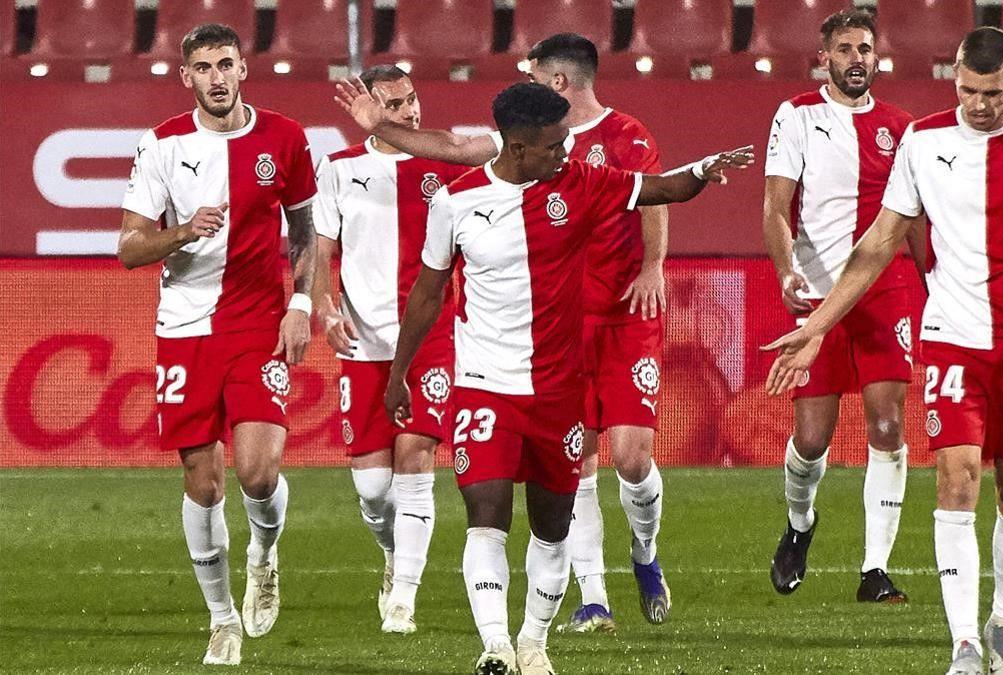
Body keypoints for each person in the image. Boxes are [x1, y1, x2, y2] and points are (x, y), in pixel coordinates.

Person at [360, 82, 750, 675]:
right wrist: (399, 374)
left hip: (561, 392)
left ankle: (533, 641)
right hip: (486, 386)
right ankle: (494, 646)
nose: (567, 152)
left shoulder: (582, 184)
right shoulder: (457, 203)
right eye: (554, 145)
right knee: (486, 517)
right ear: (517, 147)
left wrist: (706, 167)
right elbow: (428, 294)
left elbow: (664, 188)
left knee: (551, 529)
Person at [763, 28, 1003, 675]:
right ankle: (964, 645)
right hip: (951, 339)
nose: (978, 103)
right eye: (968, 90)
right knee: (955, 480)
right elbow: (878, 243)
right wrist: (815, 326)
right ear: (953, 79)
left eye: (991, 92)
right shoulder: (923, 140)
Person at [336, 33, 673, 631]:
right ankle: (591, 596)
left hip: (621, 314)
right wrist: (378, 128)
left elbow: (655, 197)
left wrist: (652, 265)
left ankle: (644, 553)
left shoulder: (622, 138)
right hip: (555, 329)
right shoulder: (518, 142)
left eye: (533, 73)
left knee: (632, 458)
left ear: (559, 84)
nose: (523, 84)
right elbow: (449, 145)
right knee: (582, 462)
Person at [117, 23, 318, 666]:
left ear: (243, 68)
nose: (217, 77)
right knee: (203, 484)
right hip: (185, 328)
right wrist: (180, 233)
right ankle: (222, 618)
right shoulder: (162, 145)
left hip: (258, 323)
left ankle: (264, 552)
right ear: (188, 77)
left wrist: (302, 303)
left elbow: (307, 233)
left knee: (259, 474)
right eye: (203, 67)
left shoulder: (284, 138)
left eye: (225, 64)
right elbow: (128, 248)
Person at [761, 9, 919, 604]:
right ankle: (800, 526)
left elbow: (913, 220)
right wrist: (784, 270)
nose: (858, 58)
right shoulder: (797, 114)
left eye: (866, 48)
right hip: (817, 292)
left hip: (885, 290)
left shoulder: (902, 127)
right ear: (824, 57)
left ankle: (875, 570)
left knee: (887, 423)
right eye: (846, 49)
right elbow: (777, 206)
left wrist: (934, 275)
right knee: (812, 438)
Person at [311, 65, 468, 634]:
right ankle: (392, 553)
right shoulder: (337, 169)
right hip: (362, 342)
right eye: (397, 104)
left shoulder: (447, 163)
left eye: (414, 98)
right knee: (374, 491)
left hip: (431, 336)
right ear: (370, 109)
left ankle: (404, 596)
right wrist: (322, 309)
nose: (411, 111)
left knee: (416, 460)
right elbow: (318, 252)